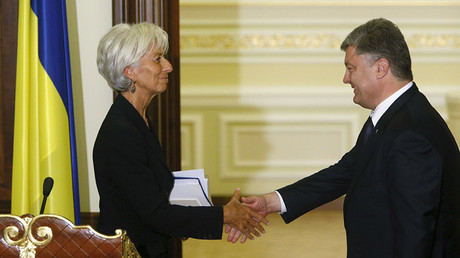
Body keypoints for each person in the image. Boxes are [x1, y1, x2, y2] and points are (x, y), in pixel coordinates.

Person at [228, 18, 460, 257]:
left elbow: (415, 233)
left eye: (351, 68)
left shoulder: (410, 134)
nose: (346, 79)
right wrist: (271, 202)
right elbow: (344, 172)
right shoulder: (397, 116)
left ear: (381, 68)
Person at [93, 22, 268, 258]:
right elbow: (156, 215)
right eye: (157, 59)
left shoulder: (138, 120)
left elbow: (150, 196)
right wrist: (225, 214)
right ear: (129, 71)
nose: (168, 66)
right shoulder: (121, 131)